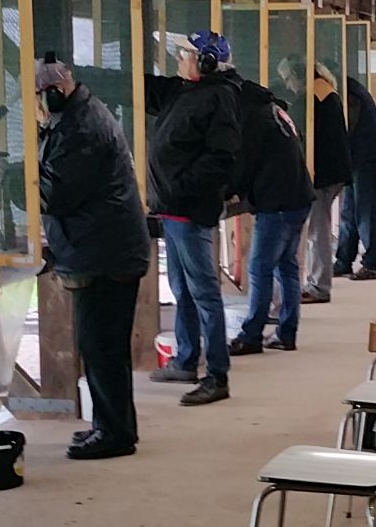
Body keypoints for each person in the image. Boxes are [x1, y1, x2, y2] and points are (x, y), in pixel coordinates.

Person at [34, 54, 150, 459]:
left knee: (101, 347)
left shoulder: (80, 128)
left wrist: (16, 181)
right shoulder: (78, 117)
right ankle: (110, 425)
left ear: (53, 93)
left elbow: (56, 193)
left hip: (105, 252)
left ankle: (116, 434)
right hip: (104, 247)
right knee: (102, 345)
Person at [145, 31, 240, 406]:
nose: (178, 60)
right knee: (183, 290)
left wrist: (182, 186)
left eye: (185, 54)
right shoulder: (183, 91)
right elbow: (143, 85)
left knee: (204, 294)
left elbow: (222, 158)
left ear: (205, 62)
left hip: (188, 210)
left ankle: (217, 376)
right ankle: (186, 360)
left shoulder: (219, 98)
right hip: (173, 209)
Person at [225, 64, 314, 354]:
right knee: (286, 266)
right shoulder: (275, 111)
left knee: (259, 268)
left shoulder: (252, 119)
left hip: (277, 203)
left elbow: (243, 164)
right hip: (297, 197)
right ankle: (287, 332)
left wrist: (226, 191)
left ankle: (252, 335)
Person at [277, 56, 351, 304]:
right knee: (318, 230)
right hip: (331, 170)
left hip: (322, 173)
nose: (287, 85)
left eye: (288, 79)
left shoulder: (312, 98)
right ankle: (317, 282)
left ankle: (319, 286)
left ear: (298, 76)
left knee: (318, 232)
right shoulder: (324, 91)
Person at [334, 73, 376, 281]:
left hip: (367, 156)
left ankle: (371, 264)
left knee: (364, 212)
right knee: (349, 212)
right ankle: (344, 261)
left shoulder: (349, 95)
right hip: (359, 157)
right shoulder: (348, 89)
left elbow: (346, 130)